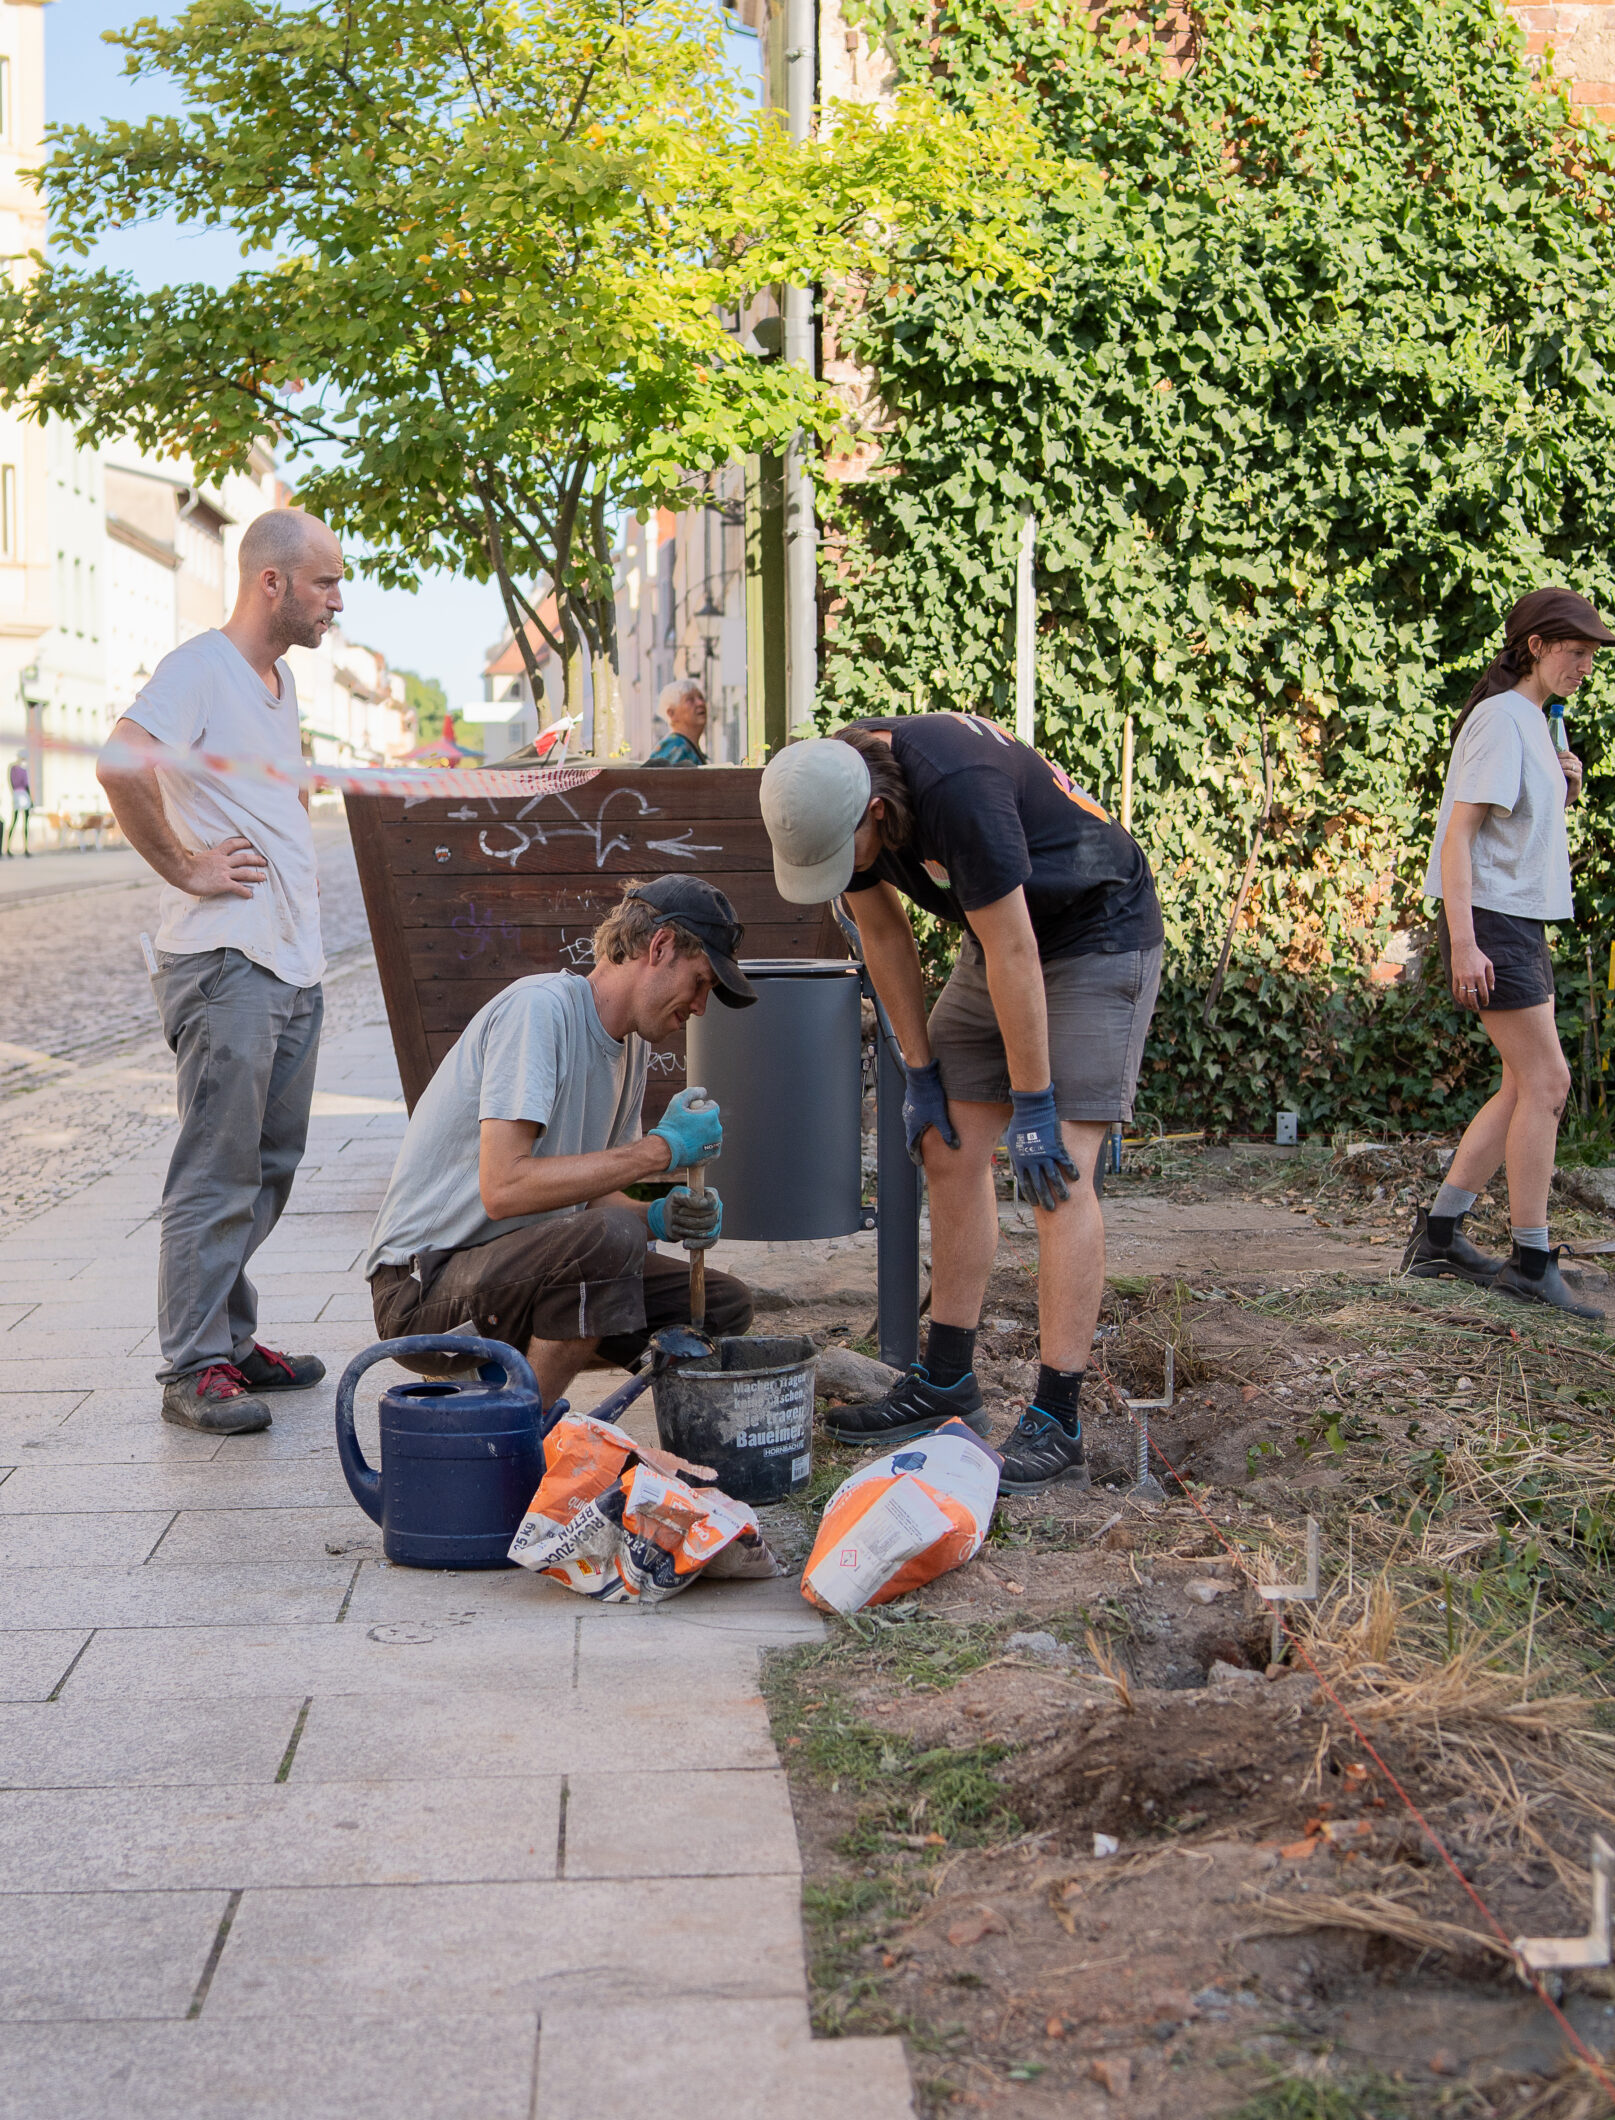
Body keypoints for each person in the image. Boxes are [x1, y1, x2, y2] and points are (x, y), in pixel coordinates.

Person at [761, 715, 1165, 1495]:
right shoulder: (821, 788)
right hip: (998, 942)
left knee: (1058, 1175)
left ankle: (1058, 1418)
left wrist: (1036, 1102)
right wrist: (918, 1070)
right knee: (946, 1143)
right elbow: (882, 935)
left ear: (873, 813)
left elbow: (1017, 946)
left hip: (1092, 931)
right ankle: (945, 1380)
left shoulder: (956, 788)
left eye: (842, 856)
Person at [96, 509, 346, 1431]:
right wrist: (185, 865)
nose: (338, 600)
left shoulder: (276, 683)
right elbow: (122, 763)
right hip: (225, 963)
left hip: (289, 962)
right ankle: (191, 1368)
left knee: (268, 1164)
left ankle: (231, 1343)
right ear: (271, 582)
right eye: (325, 581)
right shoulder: (199, 667)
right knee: (215, 1166)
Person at [364, 876, 758, 1421]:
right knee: (608, 1243)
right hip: (422, 1292)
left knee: (720, 1306)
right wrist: (659, 1152)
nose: (700, 1006)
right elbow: (503, 1188)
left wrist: (660, 1217)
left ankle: (515, 1379)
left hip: (515, 1270)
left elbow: (592, 1203)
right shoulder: (539, 1010)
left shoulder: (630, 1050)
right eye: (700, 982)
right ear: (660, 947)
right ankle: (511, 1436)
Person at [1404, 586, 1615, 1320]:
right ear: (1534, 646)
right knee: (1549, 1084)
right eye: (1574, 651)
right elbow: (1457, 836)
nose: (1584, 665)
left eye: (1590, 655)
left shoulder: (1533, 722)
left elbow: (1511, 829)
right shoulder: (1500, 720)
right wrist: (1462, 942)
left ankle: (1438, 1236)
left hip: (1518, 919)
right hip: (1489, 921)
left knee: (1521, 1085)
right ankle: (1530, 1261)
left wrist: (1564, 789)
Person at [646, 679, 708, 766]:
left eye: (701, 697)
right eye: (690, 700)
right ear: (671, 713)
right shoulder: (673, 747)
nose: (700, 703)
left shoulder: (686, 746)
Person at [5, 753, 31, 856]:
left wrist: (14, 793)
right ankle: (25, 849)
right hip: (23, 795)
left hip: (16, 794)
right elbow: (26, 784)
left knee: (15, 821)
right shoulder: (22, 769)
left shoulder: (12, 768)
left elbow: (10, 782)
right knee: (24, 822)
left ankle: (9, 848)